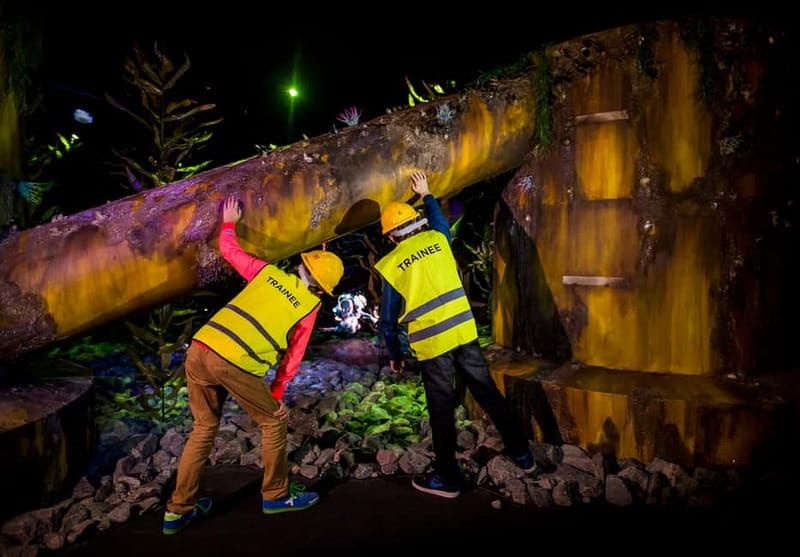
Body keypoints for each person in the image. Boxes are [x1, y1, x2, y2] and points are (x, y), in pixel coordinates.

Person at [162, 195, 344, 534]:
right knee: (274, 422)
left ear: (302, 265)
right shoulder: (309, 307)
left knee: (203, 428)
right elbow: (293, 358)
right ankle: (276, 495)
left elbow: (229, 249)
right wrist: (276, 393)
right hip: (235, 361)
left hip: (201, 347)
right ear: (321, 290)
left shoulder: (267, 273)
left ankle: (178, 510)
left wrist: (229, 223)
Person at [375, 171, 538, 499]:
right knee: (488, 393)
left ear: (391, 236)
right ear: (416, 223)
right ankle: (523, 456)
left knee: (442, 410)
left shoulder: (391, 264)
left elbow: (388, 320)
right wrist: (426, 193)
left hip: (433, 345)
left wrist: (394, 354)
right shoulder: (438, 239)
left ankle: (448, 479)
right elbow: (438, 219)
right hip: (464, 334)